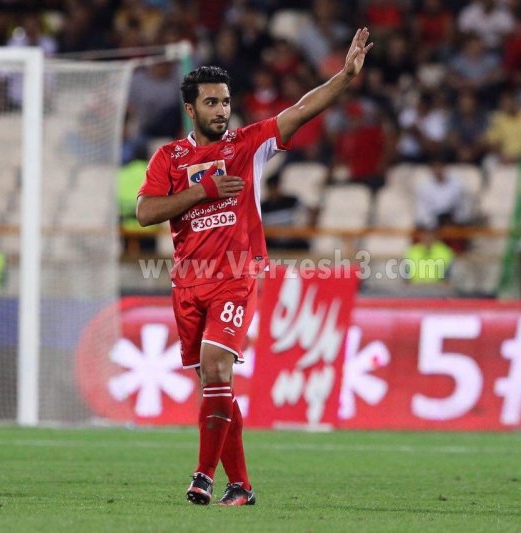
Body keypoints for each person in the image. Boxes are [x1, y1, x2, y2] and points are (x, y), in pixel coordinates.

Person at [136, 28, 373, 506]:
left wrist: (344, 78)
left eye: (225, 101)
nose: (221, 110)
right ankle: (240, 486)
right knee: (214, 382)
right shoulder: (170, 157)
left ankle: (201, 477)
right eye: (211, 103)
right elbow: (145, 213)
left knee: (216, 365)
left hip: (236, 275)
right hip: (188, 283)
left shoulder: (249, 145)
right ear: (191, 109)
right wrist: (201, 192)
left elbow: (302, 109)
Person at [261, 174, 309, 250]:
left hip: (292, 240)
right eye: (271, 188)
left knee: (303, 244)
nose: (274, 191)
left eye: (275, 187)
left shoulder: (292, 201)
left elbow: (301, 221)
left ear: (279, 187)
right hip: (273, 242)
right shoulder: (263, 206)